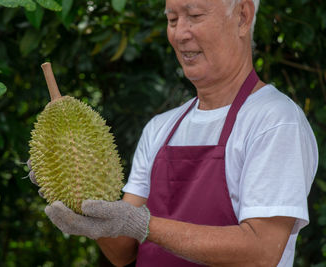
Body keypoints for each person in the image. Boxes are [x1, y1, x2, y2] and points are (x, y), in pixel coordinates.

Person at [29, 0, 318, 266]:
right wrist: (76, 197)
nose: (180, 34)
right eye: (172, 19)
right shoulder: (160, 128)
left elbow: (262, 251)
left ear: (242, 17)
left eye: (194, 16)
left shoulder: (274, 121)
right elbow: (121, 250)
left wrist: (143, 224)